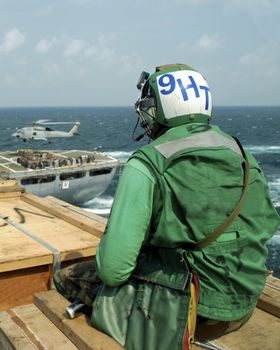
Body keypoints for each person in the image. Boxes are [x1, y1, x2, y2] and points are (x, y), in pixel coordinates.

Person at [54, 64, 280, 349]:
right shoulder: (243, 155)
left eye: (150, 107)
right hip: (242, 303)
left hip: (191, 311)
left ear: (164, 109)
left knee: (66, 277)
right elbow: (265, 224)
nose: (146, 115)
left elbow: (113, 270)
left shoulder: (147, 163)